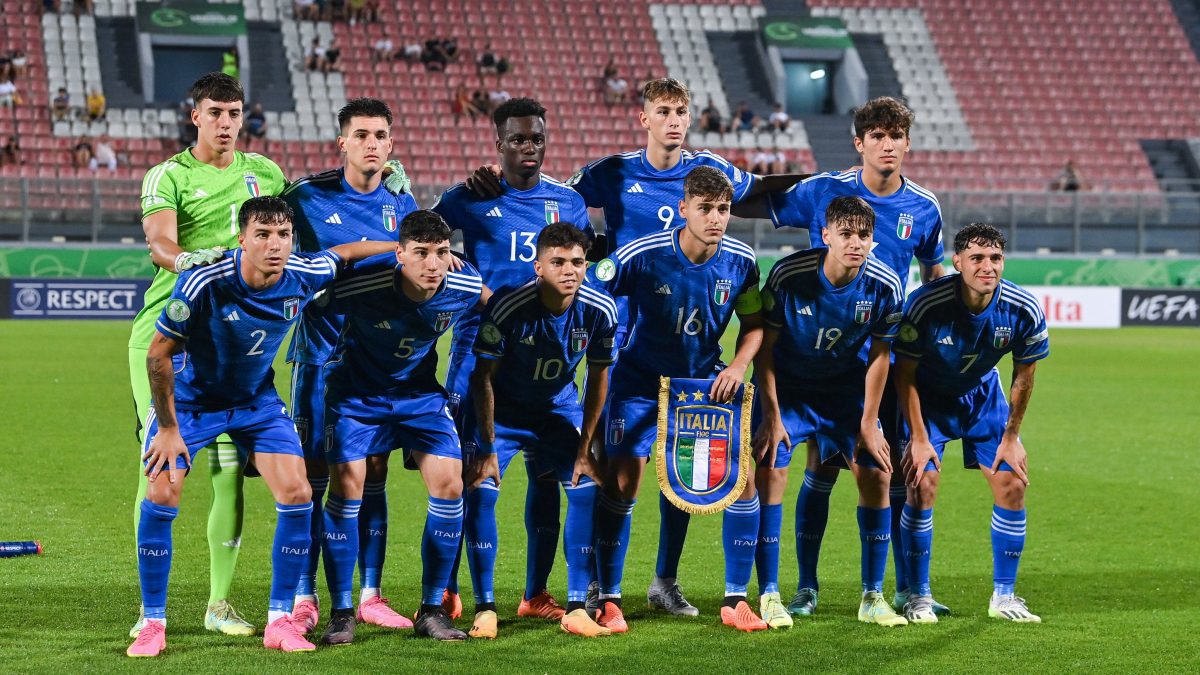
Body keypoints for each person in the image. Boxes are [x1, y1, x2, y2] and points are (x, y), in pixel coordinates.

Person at [465, 78, 802, 616]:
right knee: (614, 476)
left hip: (696, 368)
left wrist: (833, 186)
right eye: (663, 111)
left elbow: (764, 190)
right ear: (644, 118)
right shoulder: (613, 174)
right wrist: (499, 183)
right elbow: (556, 200)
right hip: (622, 352)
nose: (674, 120)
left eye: (681, 111)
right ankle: (600, 589)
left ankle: (665, 582)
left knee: (687, 475)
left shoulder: (715, 188)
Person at [125, 196, 394, 657]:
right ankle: (152, 622)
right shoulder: (205, 280)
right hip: (191, 404)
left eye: (284, 235)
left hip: (256, 403)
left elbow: (346, 252)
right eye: (263, 235)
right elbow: (157, 355)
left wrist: (401, 248)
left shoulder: (302, 273)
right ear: (242, 239)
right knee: (161, 493)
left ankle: (279, 620)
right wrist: (168, 429)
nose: (275, 245)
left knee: (298, 492)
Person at [744, 96, 948, 617]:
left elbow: (933, 275)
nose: (887, 144)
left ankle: (901, 590)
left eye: (895, 135)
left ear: (907, 142)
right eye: (877, 135)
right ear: (859, 142)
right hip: (809, 356)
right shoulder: (822, 191)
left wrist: (931, 343)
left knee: (888, 470)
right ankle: (799, 588)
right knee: (818, 468)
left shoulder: (924, 208)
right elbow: (754, 200)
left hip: (873, 362)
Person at [129, 73, 289, 640]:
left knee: (228, 472)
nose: (225, 123)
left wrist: (379, 179)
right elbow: (159, 243)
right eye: (215, 112)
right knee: (161, 463)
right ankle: (149, 610)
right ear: (194, 115)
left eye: (234, 113)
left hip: (230, 336)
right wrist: (192, 261)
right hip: (166, 331)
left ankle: (218, 603)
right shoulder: (168, 175)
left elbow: (298, 219)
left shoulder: (265, 172)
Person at [433, 97, 593, 622]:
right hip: (479, 356)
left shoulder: (568, 203)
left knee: (548, 478)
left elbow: (581, 267)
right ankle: (449, 590)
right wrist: (471, 284)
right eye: (519, 139)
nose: (530, 147)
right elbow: (422, 242)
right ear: (498, 143)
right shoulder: (469, 198)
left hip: (548, 359)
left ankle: (535, 594)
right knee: (469, 477)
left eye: (537, 138)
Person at [588, 166, 766, 633]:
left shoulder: (742, 262)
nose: (715, 218)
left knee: (723, 482)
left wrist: (737, 366)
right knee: (623, 482)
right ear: (683, 208)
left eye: (723, 209)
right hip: (638, 382)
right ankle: (605, 593)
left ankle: (710, 593)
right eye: (705, 208)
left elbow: (754, 326)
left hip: (698, 387)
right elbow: (592, 293)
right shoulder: (644, 254)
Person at [281, 97, 420, 641]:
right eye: (360, 134)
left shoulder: (402, 202)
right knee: (313, 478)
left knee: (374, 475)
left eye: (380, 135)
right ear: (342, 142)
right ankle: (304, 596)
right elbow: (266, 236)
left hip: (377, 366)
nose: (371, 143)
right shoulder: (305, 197)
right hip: (320, 357)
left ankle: (370, 595)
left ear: (391, 144)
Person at [319, 210, 488, 643]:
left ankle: (431, 610)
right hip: (357, 396)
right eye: (421, 253)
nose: (433, 264)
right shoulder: (362, 283)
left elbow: (499, 309)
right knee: (347, 490)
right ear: (400, 254)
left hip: (420, 397)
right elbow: (312, 300)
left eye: (441, 252)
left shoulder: (464, 284)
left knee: (450, 485)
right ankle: (341, 612)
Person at [750, 196, 907, 630]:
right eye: (846, 234)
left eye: (863, 235)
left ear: (872, 239)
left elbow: (880, 355)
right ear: (825, 236)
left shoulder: (885, 285)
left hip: (844, 392)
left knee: (877, 472)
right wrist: (772, 416)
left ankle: (872, 596)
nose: (855, 243)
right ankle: (770, 593)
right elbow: (765, 347)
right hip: (790, 390)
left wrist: (869, 422)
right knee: (771, 471)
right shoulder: (789, 274)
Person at [465, 223, 618, 639]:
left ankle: (575, 608)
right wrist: (487, 446)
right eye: (558, 262)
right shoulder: (509, 306)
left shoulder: (600, 309)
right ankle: (485, 608)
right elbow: (482, 377)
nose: (569, 270)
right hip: (505, 413)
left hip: (556, 411)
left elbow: (599, 379)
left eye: (577, 262)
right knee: (481, 490)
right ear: (538, 267)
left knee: (585, 487)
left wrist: (585, 449)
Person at [893, 222, 1048, 624]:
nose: (987, 266)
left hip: (981, 396)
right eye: (977, 258)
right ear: (957, 262)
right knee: (921, 485)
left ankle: (1005, 596)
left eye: (995, 258)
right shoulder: (926, 304)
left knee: (1012, 483)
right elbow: (903, 374)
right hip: (927, 397)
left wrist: (1012, 436)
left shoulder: (1022, 308)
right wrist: (919, 438)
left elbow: (1024, 375)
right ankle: (918, 595)